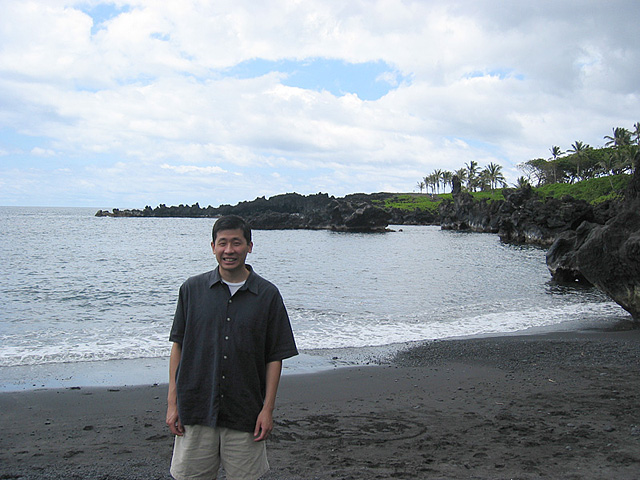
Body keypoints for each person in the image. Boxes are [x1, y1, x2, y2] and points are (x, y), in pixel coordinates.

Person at [166, 215, 298, 480]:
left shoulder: (267, 295)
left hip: (245, 413)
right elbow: (178, 346)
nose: (229, 250)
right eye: (222, 243)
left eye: (236, 243)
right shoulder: (192, 289)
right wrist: (173, 403)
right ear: (212, 246)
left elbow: (275, 357)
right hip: (196, 408)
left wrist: (267, 409)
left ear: (249, 246)